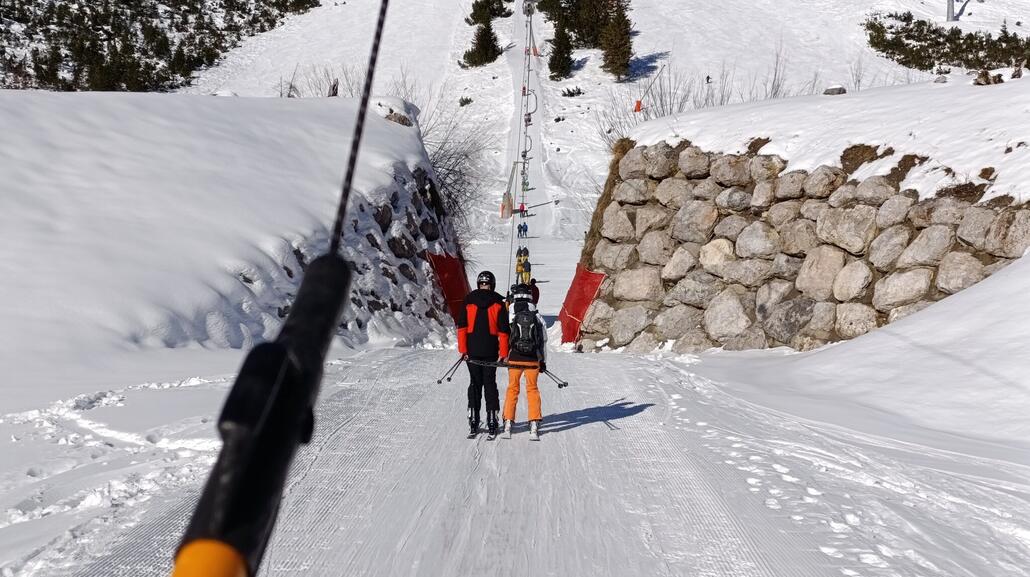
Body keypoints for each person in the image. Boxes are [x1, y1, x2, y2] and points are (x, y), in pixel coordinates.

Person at [457, 271, 510, 437]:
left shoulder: (468, 301)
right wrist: (503, 353)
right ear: (492, 285)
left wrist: (463, 350)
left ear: (478, 284)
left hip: (471, 351)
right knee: (490, 384)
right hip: (490, 351)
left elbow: (462, 328)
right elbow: (503, 332)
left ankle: (473, 419)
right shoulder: (498, 304)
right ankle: (492, 420)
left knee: (474, 383)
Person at [503, 283, 548, 440]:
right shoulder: (536, 315)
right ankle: (534, 423)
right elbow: (543, 340)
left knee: (512, 389)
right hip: (532, 360)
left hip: (514, 358)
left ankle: (508, 423)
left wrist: (504, 356)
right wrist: (542, 361)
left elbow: (505, 336)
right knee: (532, 389)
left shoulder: (510, 313)